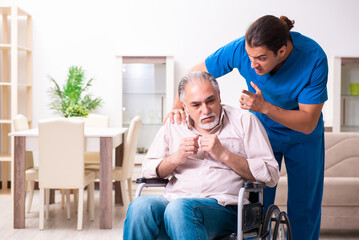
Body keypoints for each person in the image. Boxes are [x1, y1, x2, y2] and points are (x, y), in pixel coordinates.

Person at [168, 15, 328, 240]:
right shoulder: (242, 49)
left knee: (304, 208)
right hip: (262, 132)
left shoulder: (313, 57)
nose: (252, 65)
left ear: (281, 52)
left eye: (261, 58)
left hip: (303, 135)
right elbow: (194, 74)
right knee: (256, 204)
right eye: (250, 57)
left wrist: (265, 107)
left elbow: (308, 120)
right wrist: (178, 106)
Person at [123, 71, 280, 240]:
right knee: (140, 207)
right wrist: (176, 157)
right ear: (184, 106)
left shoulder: (244, 121)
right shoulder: (174, 124)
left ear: (219, 96)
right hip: (173, 201)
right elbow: (147, 171)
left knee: (180, 209)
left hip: (225, 207)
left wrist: (224, 155)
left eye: (210, 101)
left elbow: (270, 175)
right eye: (196, 105)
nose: (205, 110)